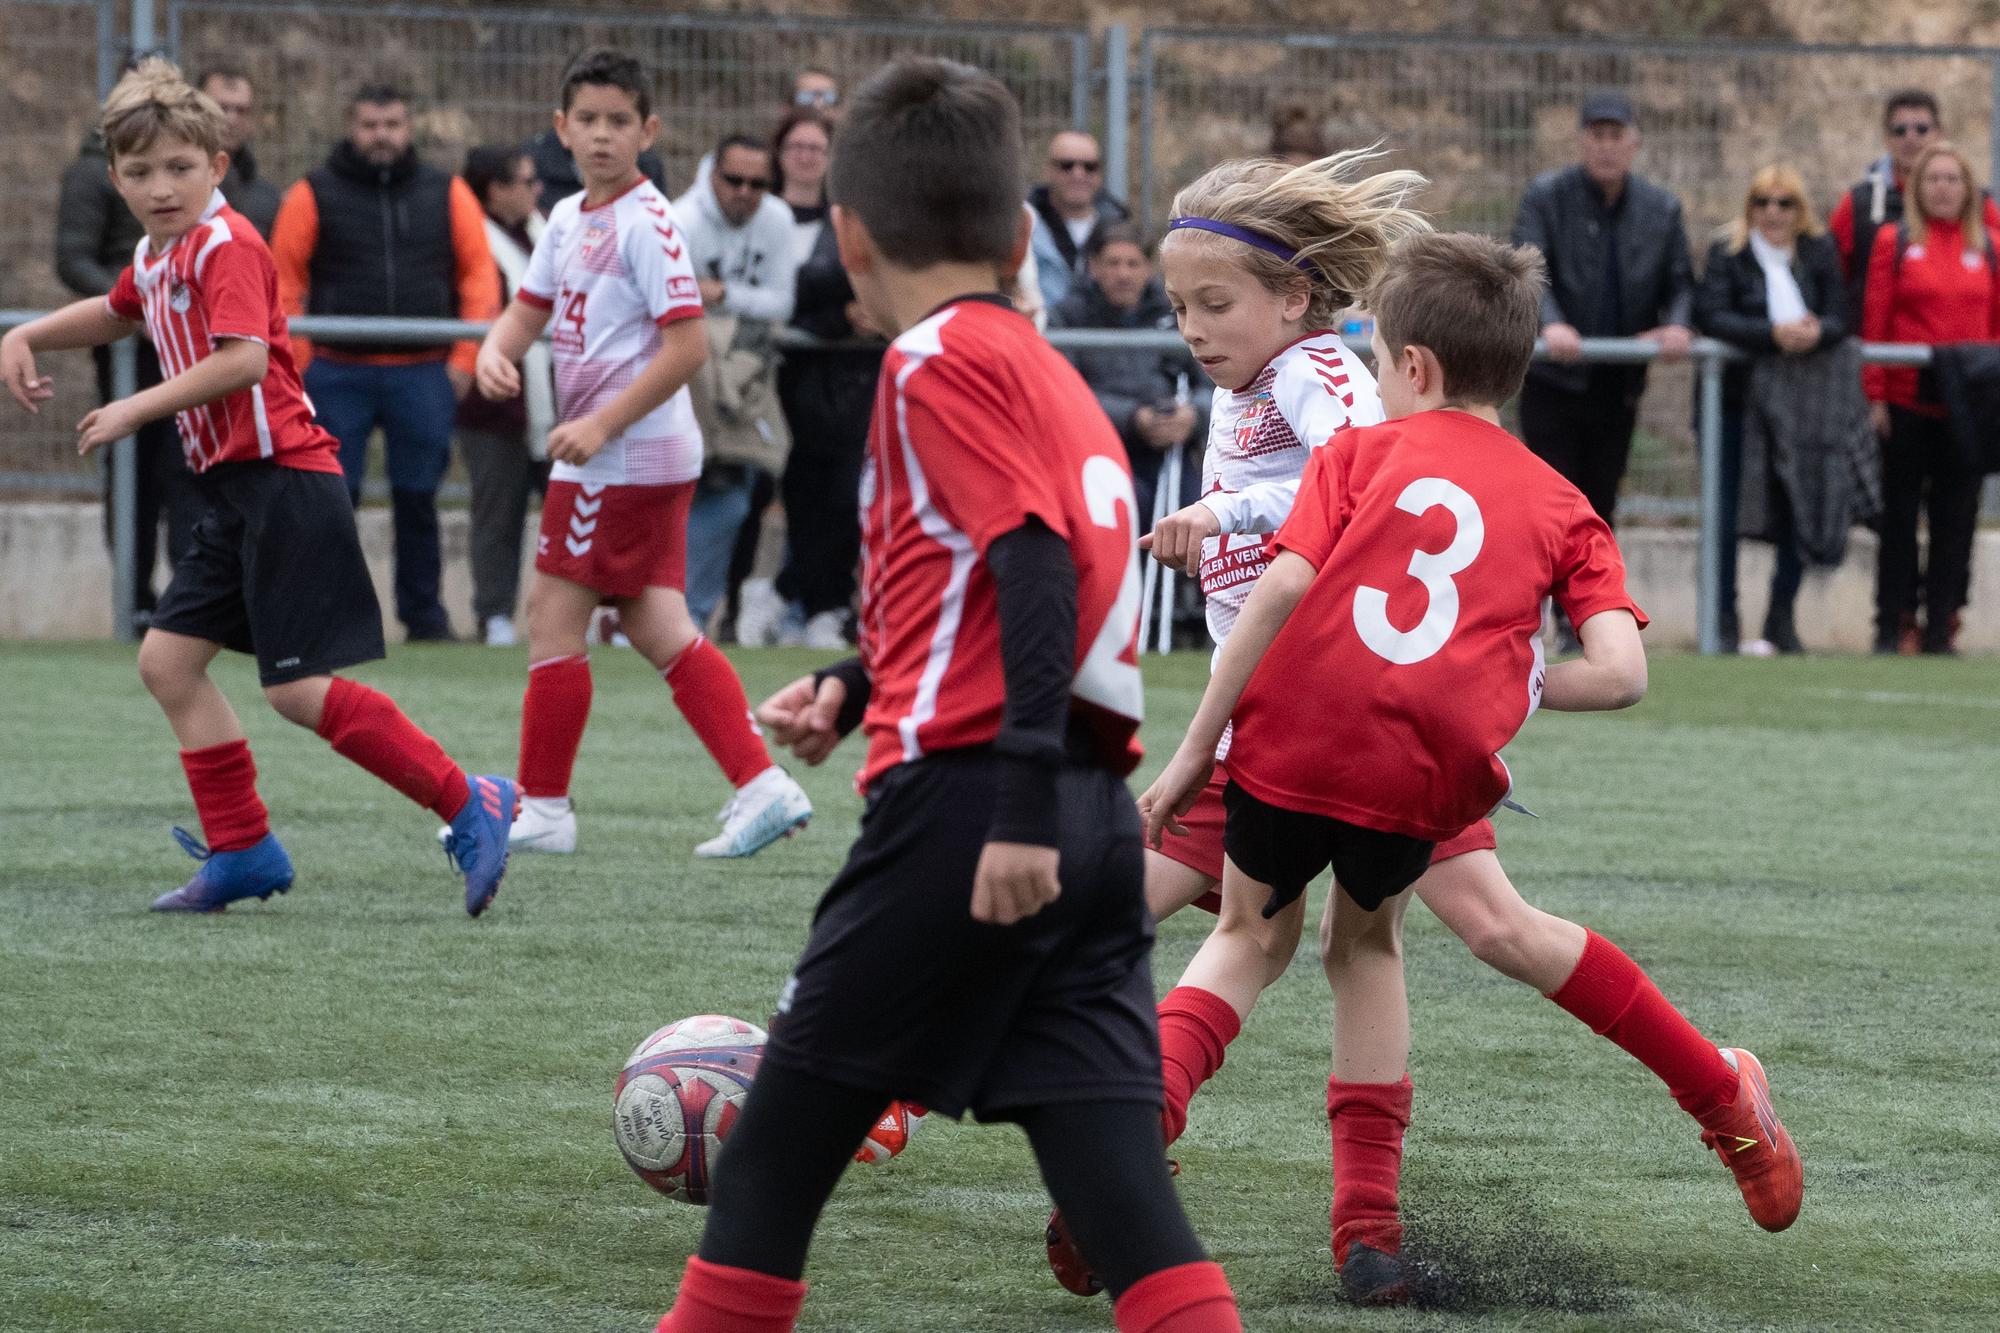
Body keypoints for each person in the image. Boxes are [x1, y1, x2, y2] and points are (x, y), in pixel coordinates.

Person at [653, 57, 1243, 1333]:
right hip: (1088, 824)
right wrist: (864, 680)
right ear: (1023, 231)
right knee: (1129, 1215)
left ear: (846, 235)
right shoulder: (1050, 376)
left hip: (977, 814)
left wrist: (1012, 796)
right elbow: (1039, 579)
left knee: (766, 1167)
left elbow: (1028, 561)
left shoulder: (929, 365)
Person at [1131, 230, 1803, 1301]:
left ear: (1413, 366)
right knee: (1381, 945)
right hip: (1416, 751)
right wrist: (1504, 678)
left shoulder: (1349, 450)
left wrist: (1187, 752)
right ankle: (1366, 1226)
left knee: (1258, 935)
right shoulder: (1553, 498)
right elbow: (1621, 673)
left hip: (1283, 726)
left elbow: (1278, 593)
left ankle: (1113, 1149)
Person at [2, 59, 517, 917]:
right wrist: (26, 336)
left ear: (217, 165)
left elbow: (241, 361)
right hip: (231, 493)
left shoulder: (227, 243)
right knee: (168, 663)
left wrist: (135, 407)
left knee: (295, 691)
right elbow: (120, 309)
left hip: (287, 481)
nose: (160, 187)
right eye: (139, 172)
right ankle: (243, 846)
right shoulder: (157, 253)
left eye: (179, 167)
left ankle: (471, 801)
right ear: (115, 179)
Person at [474, 49, 811, 861]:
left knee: (553, 614)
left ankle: (547, 807)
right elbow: (530, 305)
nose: (600, 135)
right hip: (619, 457)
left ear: (647, 130)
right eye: (586, 120)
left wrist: (600, 426)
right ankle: (762, 785)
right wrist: (498, 347)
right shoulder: (566, 218)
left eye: (618, 121)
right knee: (656, 620)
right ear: (560, 130)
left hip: (622, 456)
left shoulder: (649, 221)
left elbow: (687, 346)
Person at [270, 82, 501, 642]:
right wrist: (298, 363)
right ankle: (331, 616)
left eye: (393, 124)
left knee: (419, 498)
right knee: (331, 499)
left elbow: (478, 275)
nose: (382, 136)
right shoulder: (312, 192)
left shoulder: (447, 192)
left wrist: (467, 358)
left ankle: (424, 617)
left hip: (424, 372)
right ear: (352, 124)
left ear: (410, 126)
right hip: (334, 371)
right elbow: (282, 280)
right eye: (371, 125)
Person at [55, 54, 200, 635]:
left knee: (194, 472)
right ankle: (137, 601)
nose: (160, 189)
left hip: (198, 349)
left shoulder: (217, 194)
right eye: (139, 175)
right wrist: (145, 309)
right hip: (132, 356)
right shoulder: (92, 175)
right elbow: (75, 259)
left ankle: (195, 606)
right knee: (134, 476)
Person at [1510, 91, 1695, 532]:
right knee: (1551, 511)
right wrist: (1551, 323)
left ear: (1634, 143)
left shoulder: (1661, 209)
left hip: (1618, 384)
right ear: (1581, 141)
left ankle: (1588, 604)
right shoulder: (1546, 197)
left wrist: (1676, 326)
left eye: (1617, 135)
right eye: (1598, 135)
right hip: (1553, 381)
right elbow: (1526, 267)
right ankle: (1545, 603)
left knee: (1599, 513)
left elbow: (1682, 282)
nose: (1607, 145)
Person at [1694, 165, 1849, 654]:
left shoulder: (1819, 253)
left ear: (1799, 209)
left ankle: (1782, 615)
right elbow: (1711, 315)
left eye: (1784, 202)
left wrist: (1816, 332)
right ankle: (1723, 616)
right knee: (1725, 510)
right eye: (1762, 201)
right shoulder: (1728, 253)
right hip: (1735, 403)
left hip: (1801, 405)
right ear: (1750, 208)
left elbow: (1842, 314)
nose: (1773, 212)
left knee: (1796, 505)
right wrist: (1771, 335)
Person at [1861, 141, 2000, 656]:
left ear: (1969, 189)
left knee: (1957, 517)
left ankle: (1943, 623)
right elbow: (1875, 320)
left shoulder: (1989, 246)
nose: (1943, 188)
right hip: (1905, 402)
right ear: (1918, 188)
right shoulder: (1894, 242)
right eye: (1933, 179)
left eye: (1953, 178)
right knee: (1897, 517)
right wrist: (1874, 394)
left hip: (1968, 406)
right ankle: (1892, 622)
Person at [755, 106, 870, 652]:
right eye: (796, 147)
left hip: (838, 385)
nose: (805, 158)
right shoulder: (758, 213)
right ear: (780, 155)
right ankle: (769, 598)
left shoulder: (846, 220)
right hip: (759, 379)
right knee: (771, 496)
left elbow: (856, 289)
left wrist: (846, 316)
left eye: (816, 149)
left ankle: (814, 601)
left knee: (840, 497)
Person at [674, 134, 798, 636]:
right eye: (734, 180)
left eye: (758, 183)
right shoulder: (680, 220)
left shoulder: (778, 219)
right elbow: (673, 302)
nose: (745, 192)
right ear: (711, 175)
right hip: (684, 376)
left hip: (744, 379)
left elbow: (781, 304)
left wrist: (722, 294)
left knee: (733, 489)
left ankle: (695, 617)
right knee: (674, 495)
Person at [457, 145, 553, 647]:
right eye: (524, 181)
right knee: (497, 512)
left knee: (572, 512)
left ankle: (595, 614)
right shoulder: (471, 235)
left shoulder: (546, 231)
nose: (536, 191)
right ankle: (493, 612)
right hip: (493, 409)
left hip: (558, 404)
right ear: (495, 189)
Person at [1048, 220, 1205, 524]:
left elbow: (1217, 382)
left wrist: (1193, 417)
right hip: (1095, 450)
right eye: (1113, 263)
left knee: (1196, 510)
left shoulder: (1175, 313)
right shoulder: (1067, 317)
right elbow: (1063, 395)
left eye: (1133, 263)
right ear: (1093, 266)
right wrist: (1134, 420)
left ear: (1149, 268)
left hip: (1171, 450)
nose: (1123, 274)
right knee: (1130, 506)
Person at [1827, 89, 2000, 320]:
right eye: (1899, 130)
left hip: (1966, 349)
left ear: (1939, 134)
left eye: (1921, 129)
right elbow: (1832, 279)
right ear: (1887, 138)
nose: (1911, 137)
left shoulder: (1976, 204)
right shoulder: (1859, 204)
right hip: (1880, 345)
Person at [1027, 129, 1131, 312]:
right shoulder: (1024, 226)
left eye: (1089, 166)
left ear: (1099, 173)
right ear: (1048, 170)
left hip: (1106, 337)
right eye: (1067, 165)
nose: (1078, 174)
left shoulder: (1120, 227)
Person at [194, 64, 279, 237]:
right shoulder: (172, 184)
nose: (231, 119)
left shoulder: (267, 197)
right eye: (221, 108)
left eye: (241, 110)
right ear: (195, 110)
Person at [1268, 102, 1326, 167]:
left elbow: (1318, 148)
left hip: (1303, 159)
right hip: (1290, 159)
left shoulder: (1310, 131)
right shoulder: (1286, 131)